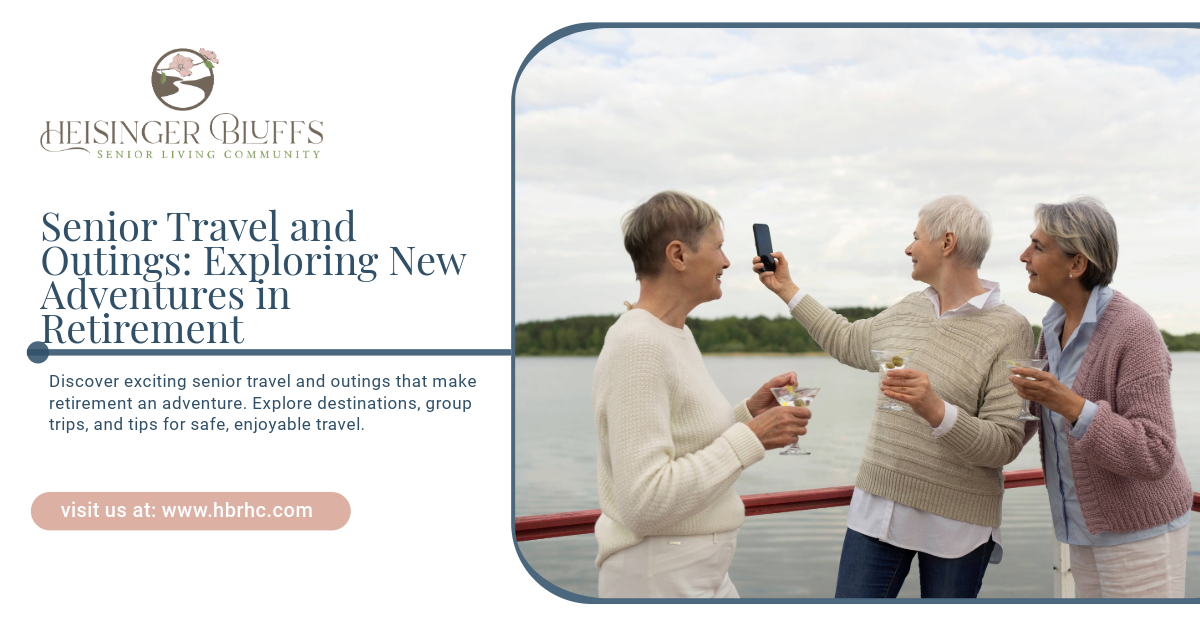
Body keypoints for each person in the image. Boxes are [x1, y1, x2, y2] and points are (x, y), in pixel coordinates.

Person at [754, 195, 1033, 598]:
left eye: (915, 237)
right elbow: (846, 340)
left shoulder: (1010, 329)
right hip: (877, 511)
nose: (908, 248)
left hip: (958, 524)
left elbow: (1005, 444)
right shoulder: (909, 309)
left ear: (946, 243)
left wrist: (936, 410)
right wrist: (786, 288)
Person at [594, 191, 811, 598]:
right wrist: (753, 437)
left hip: (694, 569)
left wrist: (748, 414)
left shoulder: (674, 334)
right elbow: (644, 502)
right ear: (678, 255)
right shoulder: (640, 343)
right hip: (658, 574)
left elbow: (685, 442)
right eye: (719, 247)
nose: (727, 262)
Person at [1010, 196, 1191, 598]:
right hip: (1081, 531)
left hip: (1138, 535)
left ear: (1077, 265)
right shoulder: (1052, 329)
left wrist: (1071, 405)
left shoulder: (1133, 329)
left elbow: (1156, 451)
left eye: (1038, 247)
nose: (1024, 256)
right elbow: (1032, 422)